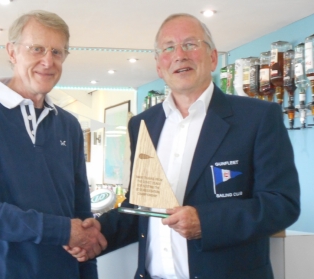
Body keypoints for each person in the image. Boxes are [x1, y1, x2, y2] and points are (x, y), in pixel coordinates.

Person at [68, 13, 300, 279]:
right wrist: (98, 233)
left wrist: (207, 222)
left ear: (212, 57)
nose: (179, 54)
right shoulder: (143, 124)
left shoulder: (257, 117)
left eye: (190, 44)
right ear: (159, 66)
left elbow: (281, 204)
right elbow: (144, 204)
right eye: (168, 48)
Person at [0, 10, 106, 279]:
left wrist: (87, 266)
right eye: (37, 49)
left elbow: (80, 213)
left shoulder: (69, 125)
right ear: (12, 52)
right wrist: (63, 230)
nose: (48, 61)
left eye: (57, 52)